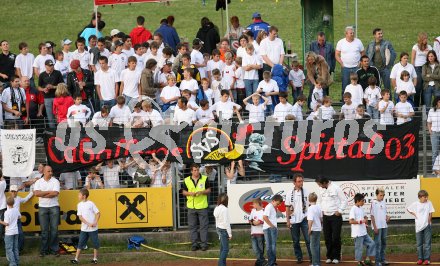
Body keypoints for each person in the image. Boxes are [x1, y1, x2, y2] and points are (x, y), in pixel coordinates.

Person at [315, 176, 347, 264]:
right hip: (325, 216)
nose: (319, 186)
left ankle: (336, 257)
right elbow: (319, 202)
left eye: (320, 185)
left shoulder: (336, 188)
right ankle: (329, 256)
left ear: (325, 183)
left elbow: (344, 200)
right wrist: (320, 213)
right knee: (327, 237)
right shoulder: (321, 189)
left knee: (336, 237)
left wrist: (340, 211)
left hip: (335, 216)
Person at [181, 164, 211, 251]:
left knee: (203, 226)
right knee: (192, 226)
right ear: (191, 171)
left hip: (202, 206)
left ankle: (204, 244)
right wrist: (190, 193)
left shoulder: (204, 178)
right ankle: (194, 244)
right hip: (191, 206)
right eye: (194, 170)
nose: (196, 172)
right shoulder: (186, 180)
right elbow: (183, 192)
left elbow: (209, 190)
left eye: (197, 170)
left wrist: (202, 192)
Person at [33, 165, 60, 257]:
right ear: (44, 172)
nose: (51, 173)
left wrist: (42, 194)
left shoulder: (55, 181)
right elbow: (36, 193)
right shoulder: (38, 182)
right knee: (44, 230)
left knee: (54, 230)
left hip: (54, 207)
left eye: (51, 171)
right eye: (49, 171)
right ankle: (44, 250)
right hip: (42, 207)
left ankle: (54, 249)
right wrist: (49, 192)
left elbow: (55, 193)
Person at [285, 173, 311, 264]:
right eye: (299, 181)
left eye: (302, 181)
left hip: (305, 218)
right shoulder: (289, 193)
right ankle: (299, 257)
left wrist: (311, 219)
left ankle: (312, 257)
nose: (301, 183)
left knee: (308, 239)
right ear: (294, 182)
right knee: (295, 241)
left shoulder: (306, 192)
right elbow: (287, 207)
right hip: (293, 219)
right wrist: (287, 220)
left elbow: (310, 206)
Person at [71, 188, 100, 264]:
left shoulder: (91, 203)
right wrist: (88, 224)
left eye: (79, 194)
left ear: (84, 196)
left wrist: (95, 222)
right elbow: (80, 217)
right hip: (84, 229)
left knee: (95, 243)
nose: (78, 196)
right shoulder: (79, 205)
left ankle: (95, 259)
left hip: (93, 229)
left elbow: (98, 213)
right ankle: (76, 259)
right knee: (80, 243)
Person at [336, 26, 365, 99]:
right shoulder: (341, 42)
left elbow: (363, 53)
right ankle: (344, 104)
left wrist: (360, 63)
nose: (352, 34)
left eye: (353, 33)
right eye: (351, 33)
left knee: (357, 85)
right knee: (345, 86)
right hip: (345, 68)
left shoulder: (358, 41)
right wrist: (341, 63)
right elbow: (336, 54)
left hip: (356, 67)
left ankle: (358, 103)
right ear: (346, 34)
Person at [407, 190, 435, 265]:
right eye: (425, 197)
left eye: (426, 197)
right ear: (420, 197)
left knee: (427, 243)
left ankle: (427, 259)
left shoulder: (429, 203)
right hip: (418, 226)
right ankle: (420, 259)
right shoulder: (416, 204)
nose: (426, 198)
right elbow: (408, 209)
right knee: (419, 244)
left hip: (427, 226)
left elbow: (431, 212)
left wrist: (429, 220)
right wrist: (414, 214)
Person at [349, 193, 376, 266]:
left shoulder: (361, 208)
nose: (364, 202)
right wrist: (361, 221)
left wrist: (366, 220)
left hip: (364, 232)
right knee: (359, 248)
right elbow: (351, 221)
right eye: (362, 201)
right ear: (357, 201)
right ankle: (359, 262)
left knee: (372, 243)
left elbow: (365, 217)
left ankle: (367, 259)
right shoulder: (353, 209)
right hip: (357, 233)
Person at [38, 59, 64, 128]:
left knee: (59, 115)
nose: (51, 67)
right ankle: (52, 132)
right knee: (50, 116)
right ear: (45, 66)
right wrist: (44, 89)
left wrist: (53, 87)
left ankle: (61, 130)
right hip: (47, 97)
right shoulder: (42, 75)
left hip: (57, 96)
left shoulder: (58, 73)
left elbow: (62, 85)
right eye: (49, 66)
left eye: (52, 65)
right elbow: (39, 87)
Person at [370, 188, 390, 266]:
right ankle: (377, 261)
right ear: (377, 195)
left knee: (384, 243)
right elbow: (372, 216)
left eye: (383, 195)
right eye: (381, 195)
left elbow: (384, 214)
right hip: (377, 227)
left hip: (384, 226)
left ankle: (382, 260)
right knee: (378, 244)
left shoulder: (384, 202)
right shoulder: (373, 202)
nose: (382, 197)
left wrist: (388, 217)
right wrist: (375, 227)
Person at [412, 32, 432, 107]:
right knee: (418, 88)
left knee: (425, 88)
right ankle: (416, 107)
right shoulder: (415, 47)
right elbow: (413, 59)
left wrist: (427, 53)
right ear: (421, 39)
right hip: (417, 68)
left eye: (426, 38)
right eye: (424, 38)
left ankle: (423, 106)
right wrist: (412, 70)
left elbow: (432, 58)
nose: (426, 40)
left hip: (426, 68)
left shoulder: (429, 47)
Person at [263, 194, 283, 266]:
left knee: (272, 246)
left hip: (270, 228)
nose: (279, 205)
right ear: (273, 201)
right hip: (269, 228)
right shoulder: (269, 207)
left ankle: (272, 262)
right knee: (271, 246)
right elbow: (264, 217)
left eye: (279, 204)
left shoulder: (272, 207)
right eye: (278, 203)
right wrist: (272, 226)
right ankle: (271, 263)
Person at [0, 197, 21, 266]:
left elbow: (7, 223)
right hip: (15, 231)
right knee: (15, 248)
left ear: (7, 203)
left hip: (9, 232)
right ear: (14, 203)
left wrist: (0, 221)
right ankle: (17, 262)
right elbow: (19, 217)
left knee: (9, 248)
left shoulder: (6, 212)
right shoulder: (16, 210)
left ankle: (13, 263)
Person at [214, 193, 231, 266]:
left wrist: (218, 231)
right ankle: (221, 264)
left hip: (219, 229)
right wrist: (230, 233)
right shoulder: (225, 209)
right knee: (225, 249)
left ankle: (222, 264)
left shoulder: (216, 208)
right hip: (224, 230)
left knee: (222, 248)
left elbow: (217, 221)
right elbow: (226, 222)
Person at [249, 198, 266, 266]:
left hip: (261, 233)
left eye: (253, 204)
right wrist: (253, 223)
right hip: (253, 233)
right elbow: (250, 220)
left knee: (261, 249)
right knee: (255, 248)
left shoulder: (264, 211)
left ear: (257, 204)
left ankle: (260, 261)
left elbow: (265, 220)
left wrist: (259, 222)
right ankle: (262, 261)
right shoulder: (253, 211)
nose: (252, 205)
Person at [307, 192, 322, 266]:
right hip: (318, 228)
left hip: (313, 229)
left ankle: (315, 263)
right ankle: (317, 262)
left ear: (309, 200)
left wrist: (309, 228)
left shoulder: (310, 208)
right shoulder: (318, 207)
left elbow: (310, 220)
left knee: (313, 247)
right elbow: (320, 218)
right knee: (317, 246)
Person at [427, 96, 440, 170]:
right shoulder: (431, 111)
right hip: (434, 134)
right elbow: (428, 122)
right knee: (435, 152)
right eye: (439, 102)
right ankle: (434, 170)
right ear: (436, 102)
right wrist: (430, 131)